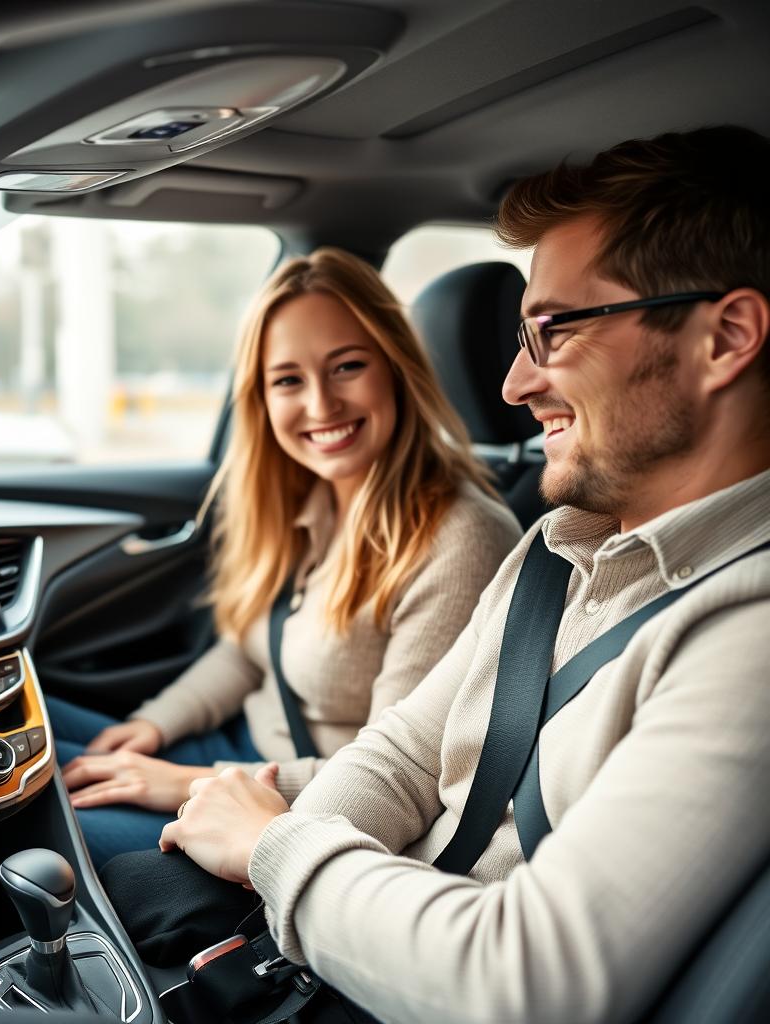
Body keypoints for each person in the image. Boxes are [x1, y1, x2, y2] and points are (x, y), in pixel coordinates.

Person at [154, 126, 770, 1022]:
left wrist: (275, 851)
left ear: (727, 338)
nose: (516, 382)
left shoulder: (747, 633)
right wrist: (278, 873)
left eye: (554, 330)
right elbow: (403, 753)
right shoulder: (556, 545)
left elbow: (523, 982)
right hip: (366, 937)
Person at [47, 247, 521, 866]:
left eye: (347, 366)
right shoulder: (314, 499)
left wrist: (179, 782)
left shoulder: (460, 538)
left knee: (38, 819)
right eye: (289, 380)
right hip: (232, 755)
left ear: (397, 369)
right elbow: (248, 651)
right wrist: (155, 726)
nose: (321, 406)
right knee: (4, 738)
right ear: (262, 398)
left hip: (301, 803)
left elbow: (402, 772)